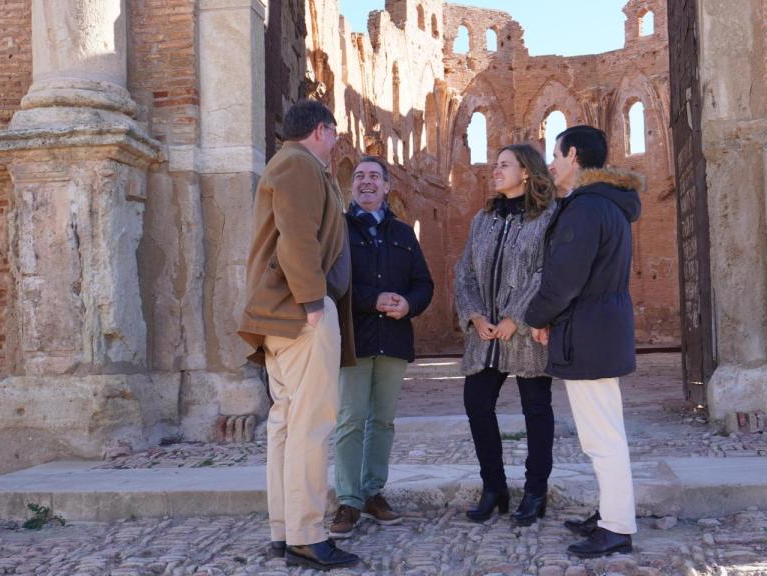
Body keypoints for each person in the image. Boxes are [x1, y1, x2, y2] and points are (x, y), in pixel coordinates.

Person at [238, 100, 359, 571]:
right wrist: (312, 301)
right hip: (298, 314)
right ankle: (308, 535)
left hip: (285, 315)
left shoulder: (290, 163)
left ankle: (286, 529)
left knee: (288, 424)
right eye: (334, 134)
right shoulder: (298, 164)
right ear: (321, 131)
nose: (336, 144)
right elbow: (297, 236)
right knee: (310, 423)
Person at [525, 125, 642, 558]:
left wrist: (537, 317)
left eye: (555, 155)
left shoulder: (587, 208)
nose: (551, 164)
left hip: (588, 331)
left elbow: (565, 278)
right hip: (598, 327)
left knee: (602, 437)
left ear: (573, 155)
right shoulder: (607, 205)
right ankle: (611, 513)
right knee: (604, 431)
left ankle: (616, 528)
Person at [329, 156, 434, 539]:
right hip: (354, 339)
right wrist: (372, 300)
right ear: (351, 186)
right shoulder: (338, 230)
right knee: (350, 419)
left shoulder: (404, 234)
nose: (366, 182)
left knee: (383, 421)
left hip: (393, 339)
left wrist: (409, 304)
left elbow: (424, 284)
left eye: (374, 176)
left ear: (387, 186)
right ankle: (348, 499)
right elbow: (333, 284)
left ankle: (374, 493)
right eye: (359, 177)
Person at [454, 143, 557, 526]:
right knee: (477, 405)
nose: (495, 170)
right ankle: (494, 488)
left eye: (504, 165)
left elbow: (546, 272)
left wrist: (518, 316)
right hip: (485, 334)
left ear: (526, 172)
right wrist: (475, 315)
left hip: (526, 332)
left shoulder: (547, 216)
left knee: (536, 410)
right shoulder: (484, 218)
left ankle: (535, 492)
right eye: (495, 165)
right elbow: (464, 270)